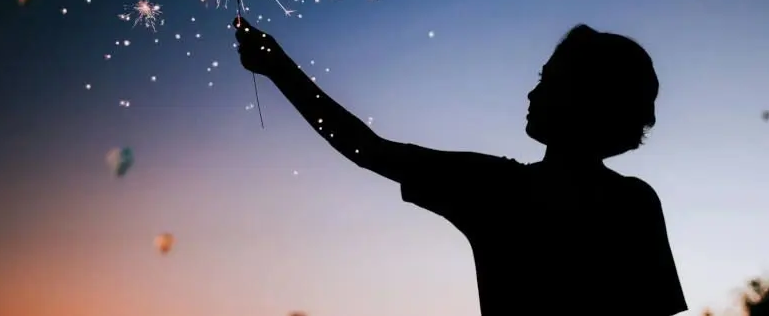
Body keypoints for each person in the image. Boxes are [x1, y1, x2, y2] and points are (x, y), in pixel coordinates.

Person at [234, 17, 688, 315]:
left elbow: (366, 149)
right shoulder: (634, 203)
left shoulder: (497, 190)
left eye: (548, 81)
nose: (532, 94)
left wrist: (278, 68)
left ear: (587, 99)